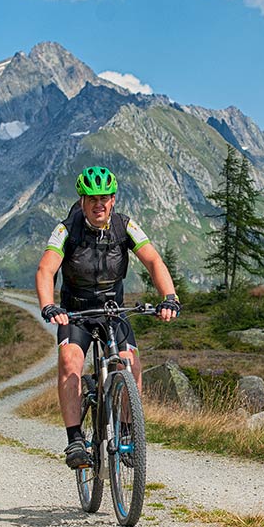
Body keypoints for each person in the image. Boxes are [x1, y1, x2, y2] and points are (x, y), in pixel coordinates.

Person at [35, 165, 180, 468]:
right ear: (83, 201)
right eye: (92, 199)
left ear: (113, 200)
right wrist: (49, 306)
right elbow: (46, 269)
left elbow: (153, 260)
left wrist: (169, 297)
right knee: (70, 361)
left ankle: (128, 432)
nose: (98, 205)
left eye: (104, 198)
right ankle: (75, 440)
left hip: (114, 309)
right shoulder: (67, 229)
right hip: (76, 311)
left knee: (131, 362)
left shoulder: (125, 226)